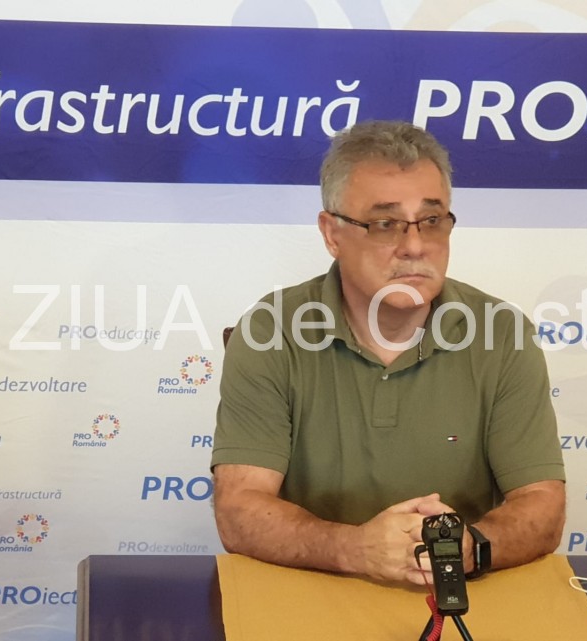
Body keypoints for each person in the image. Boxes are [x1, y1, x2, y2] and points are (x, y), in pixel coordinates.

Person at [211, 120, 565, 586]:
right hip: (309, 592)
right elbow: (239, 510)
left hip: (454, 594)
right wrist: (353, 549)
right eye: (385, 224)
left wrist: (465, 548)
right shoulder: (269, 331)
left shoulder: (503, 333)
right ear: (332, 234)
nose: (414, 247)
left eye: (432, 221)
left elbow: (543, 505)